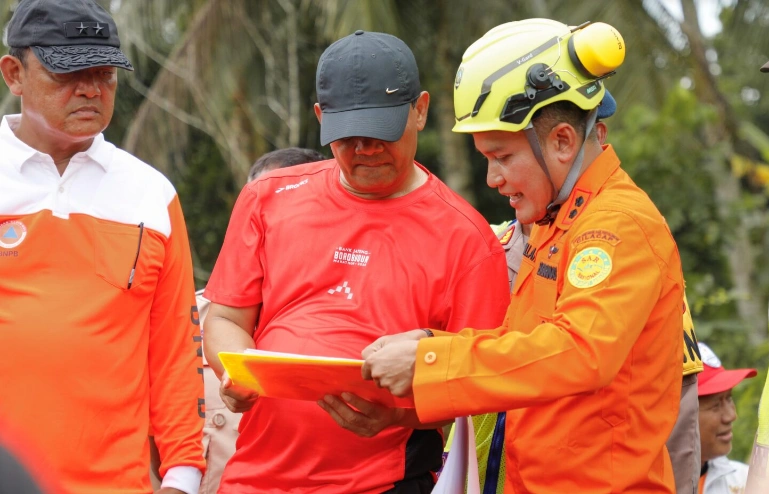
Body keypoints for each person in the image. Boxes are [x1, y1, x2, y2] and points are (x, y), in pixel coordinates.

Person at [362, 19, 685, 493]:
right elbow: (526, 344)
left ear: (562, 142)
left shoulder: (617, 224)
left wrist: (430, 361)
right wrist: (431, 343)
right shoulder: (558, 221)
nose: (492, 179)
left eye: (502, 156)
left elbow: (578, 352)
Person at [202, 30, 509, 493]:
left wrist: (399, 414)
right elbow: (224, 316)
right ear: (321, 118)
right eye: (347, 136)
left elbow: (481, 389)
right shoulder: (268, 197)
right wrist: (236, 372)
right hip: (254, 477)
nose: (365, 149)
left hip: (385, 481)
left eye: (381, 132)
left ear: (420, 110)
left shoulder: (466, 238)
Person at [0, 1, 204, 493]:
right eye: (67, 72)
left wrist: (182, 476)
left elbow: (176, 348)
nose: (91, 89)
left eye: (104, 73)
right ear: (14, 73)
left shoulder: (150, 194)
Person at [152, 148, 327, 494]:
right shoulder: (181, 322)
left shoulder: (360, 322)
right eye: (256, 207)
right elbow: (145, 434)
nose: (264, 223)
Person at [696, 342, 756, 494]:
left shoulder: (745, 483)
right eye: (715, 405)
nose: (731, 416)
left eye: (729, 398)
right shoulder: (641, 486)